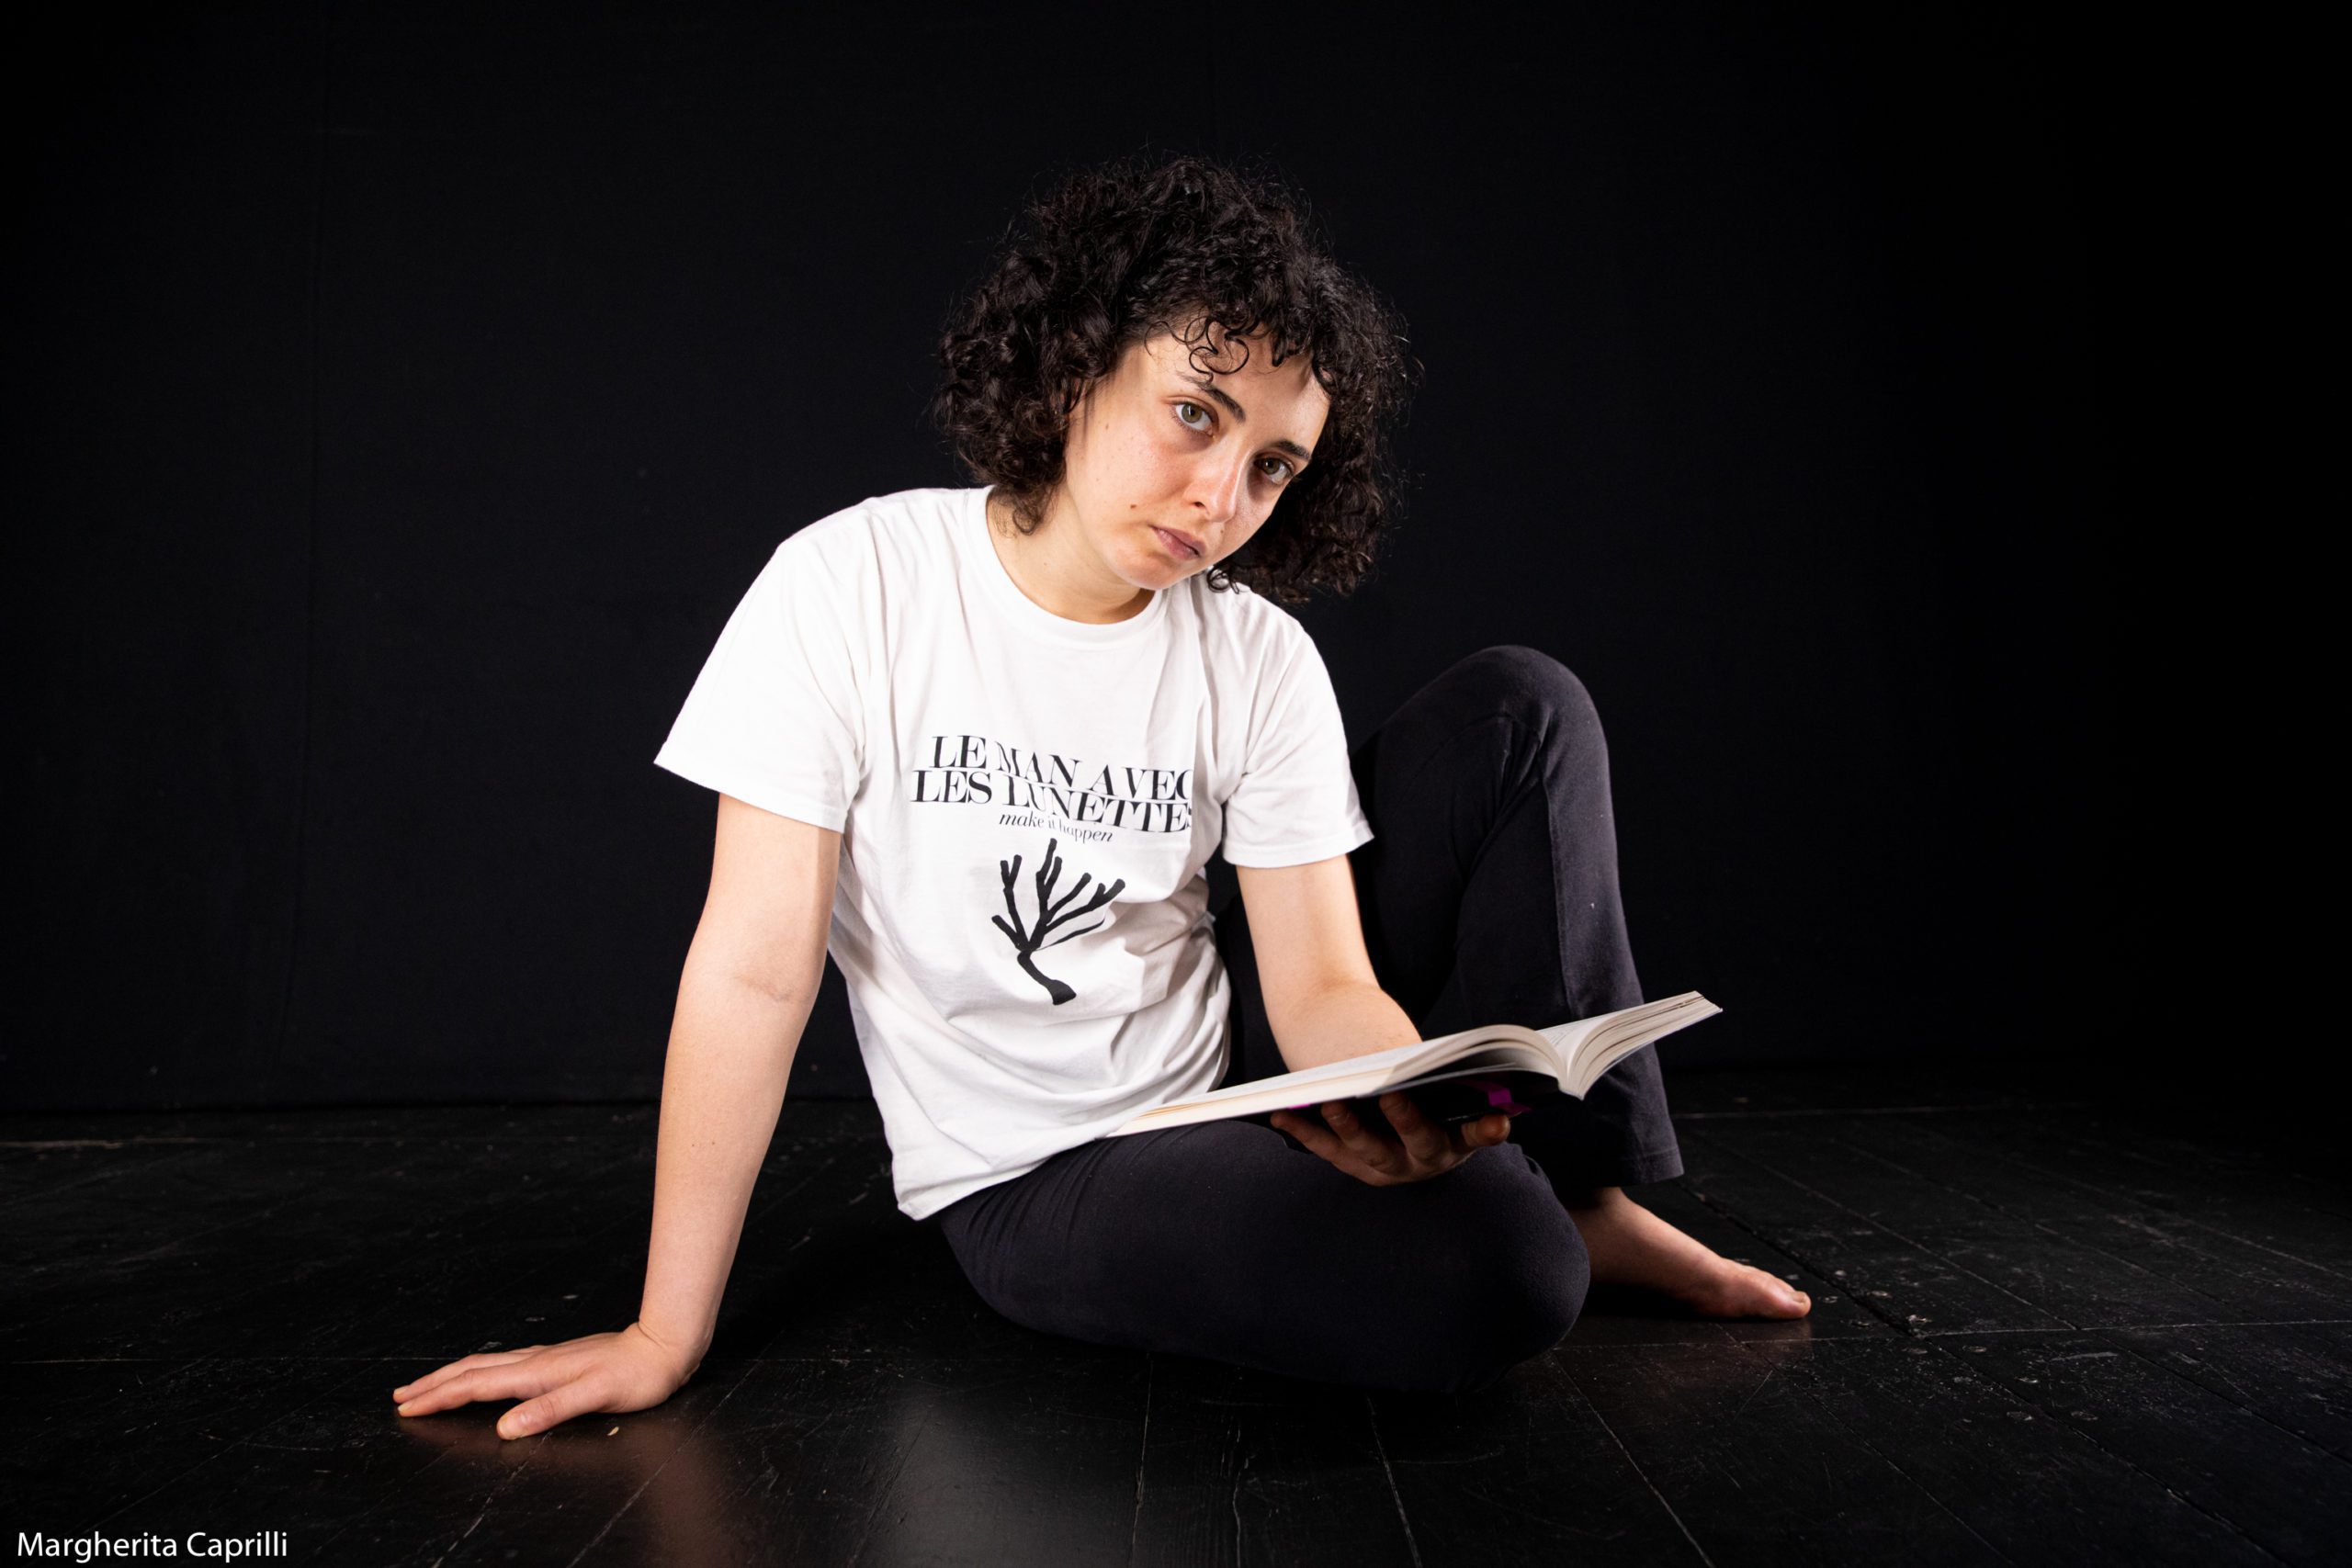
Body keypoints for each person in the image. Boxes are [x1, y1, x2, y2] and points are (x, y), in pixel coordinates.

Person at [391, 152, 1809, 1438]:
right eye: (1193, 416)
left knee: (1522, 709)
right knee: (1509, 1271)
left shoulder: (1254, 651)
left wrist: (1392, 1100)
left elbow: (1321, 983)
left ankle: (1586, 1188)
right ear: (1074, 369)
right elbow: (756, 971)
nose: (1221, 496)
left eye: (1271, 465)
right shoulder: (851, 587)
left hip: (1239, 1079)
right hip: (1043, 1175)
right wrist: (664, 1332)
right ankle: (1547, 1223)